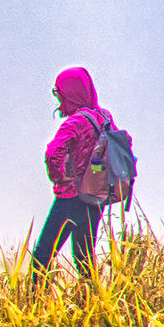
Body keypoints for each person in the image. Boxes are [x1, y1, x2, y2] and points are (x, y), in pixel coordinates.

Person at [32, 65, 115, 282]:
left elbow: (53, 152)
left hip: (70, 198)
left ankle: (34, 308)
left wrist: (59, 177)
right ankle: (92, 306)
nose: (58, 99)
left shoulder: (76, 122)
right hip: (96, 196)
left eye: (59, 93)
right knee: (83, 259)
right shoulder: (103, 116)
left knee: (42, 259)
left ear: (69, 93)